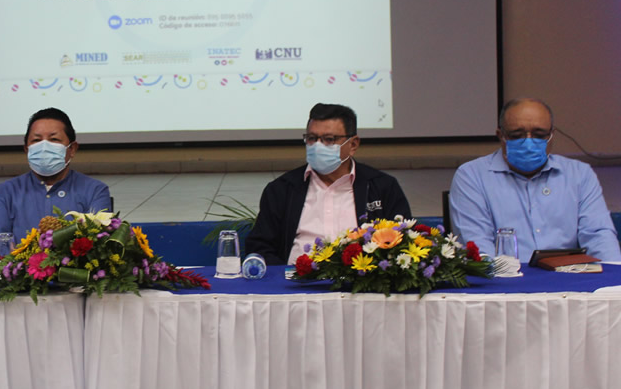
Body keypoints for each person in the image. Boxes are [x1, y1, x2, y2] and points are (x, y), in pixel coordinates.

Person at [449, 98, 621, 261]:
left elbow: (599, 236)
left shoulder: (579, 174)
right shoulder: (471, 176)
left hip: (570, 281)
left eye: (539, 134)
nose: (529, 142)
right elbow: (476, 246)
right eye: (517, 135)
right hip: (504, 283)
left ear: (552, 135)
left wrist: (614, 283)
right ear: (500, 135)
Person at [244, 103, 412, 265]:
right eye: (311, 138)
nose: (317, 146)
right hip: (295, 284)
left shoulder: (382, 187)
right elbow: (260, 247)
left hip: (362, 284)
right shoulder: (281, 189)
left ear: (353, 144)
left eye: (329, 139)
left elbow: (404, 242)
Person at [0, 108, 111, 254]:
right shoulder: (5, 192)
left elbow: (100, 243)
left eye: (54, 139)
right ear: (27, 149)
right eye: (36, 140)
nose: (44, 147)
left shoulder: (94, 191)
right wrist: (18, 262)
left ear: (72, 149)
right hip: (19, 273)